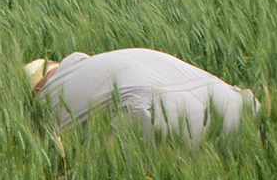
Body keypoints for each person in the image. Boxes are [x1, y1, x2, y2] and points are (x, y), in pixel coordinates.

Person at [26, 49, 259, 148]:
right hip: (243, 108)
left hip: (152, 120)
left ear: (37, 89)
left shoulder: (51, 96)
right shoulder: (113, 58)